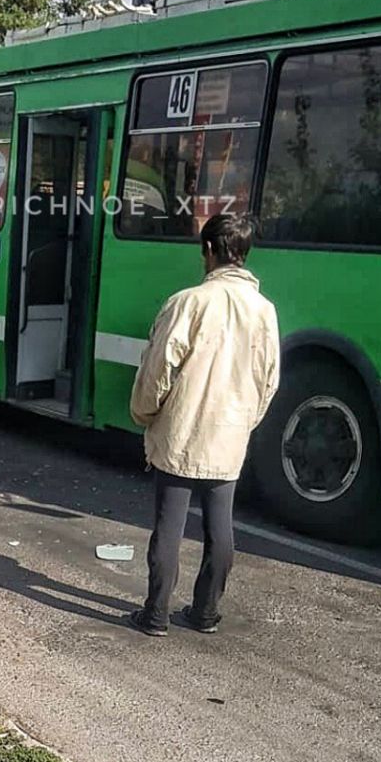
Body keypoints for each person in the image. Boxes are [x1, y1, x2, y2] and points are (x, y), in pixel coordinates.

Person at [128, 213, 280, 637]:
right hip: (229, 435)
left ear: (209, 251)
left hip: (181, 432)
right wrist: (246, 422)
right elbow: (270, 380)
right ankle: (205, 613)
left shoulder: (188, 302)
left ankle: (155, 615)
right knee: (220, 528)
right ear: (244, 254)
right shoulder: (265, 312)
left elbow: (160, 369)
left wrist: (144, 412)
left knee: (169, 529)